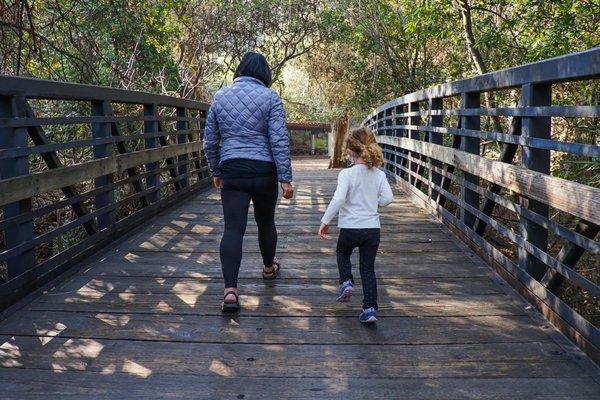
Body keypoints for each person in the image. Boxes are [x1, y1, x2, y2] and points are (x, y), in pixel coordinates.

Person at [203, 51, 294, 312]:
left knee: (233, 229)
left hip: (233, 169)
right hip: (264, 171)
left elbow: (210, 140)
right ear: (265, 73)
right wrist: (285, 178)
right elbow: (278, 140)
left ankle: (230, 291)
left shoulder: (220, 96)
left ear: (239, 70)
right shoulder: (270, 97)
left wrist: (216, 171)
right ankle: (268, 269)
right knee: (266, 222)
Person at [318, 127, 393, 323]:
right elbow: (387, 199)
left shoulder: (346, 174)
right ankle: (369, 309)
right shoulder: (379, 174)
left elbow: (338, 199)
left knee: (343, 253)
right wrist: (371, 203)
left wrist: (325, 222)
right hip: (372, 230)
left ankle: (346, 282)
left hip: (350, 229)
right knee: (368, 269)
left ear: (350, 151)